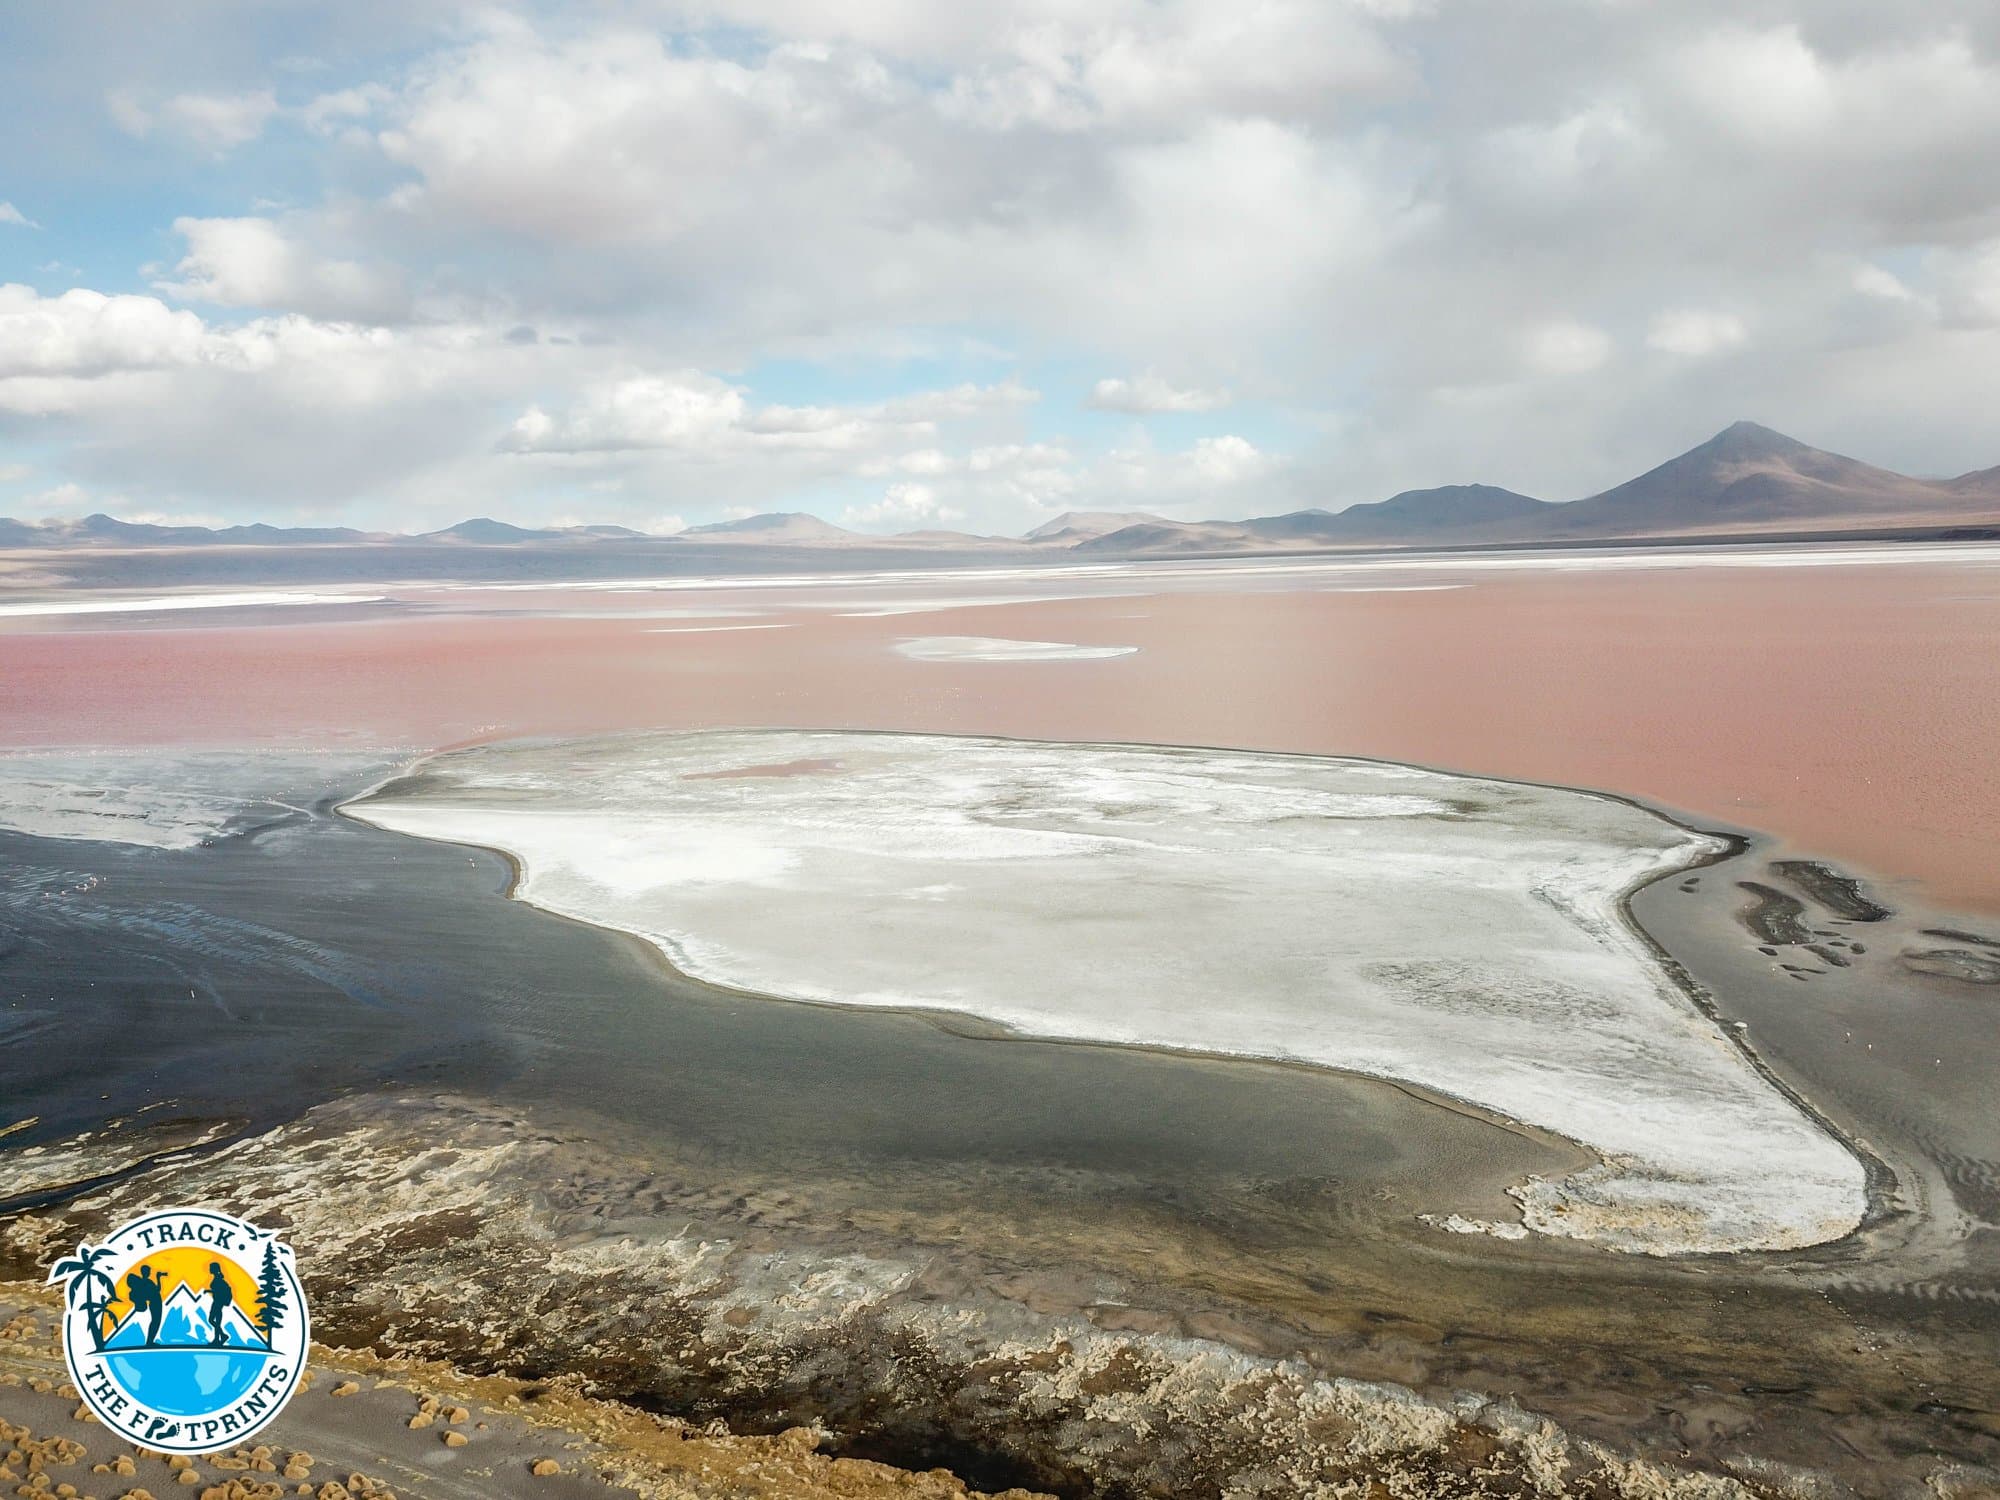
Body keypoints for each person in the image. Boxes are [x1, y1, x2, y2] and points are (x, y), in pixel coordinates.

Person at [124, 1266, 163, 1346]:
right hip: (156, 1302)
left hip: (154, 1302)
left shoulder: (144, 1282)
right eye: (149, 1271)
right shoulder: (146, 1282)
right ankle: (149, 1342)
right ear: (145, 1272)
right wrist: (158, 1278)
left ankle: (149, 1341)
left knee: (155, 1322)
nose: (149, 1273)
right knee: (155, 1322)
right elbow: (157, 1289)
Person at [206, 1263, 233, 1346]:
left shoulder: (218, 1279)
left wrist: (210, 1291)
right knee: (216, 1322)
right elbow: (217, 1290)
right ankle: (218, 1338)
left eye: (210, 1268)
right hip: (218, 1302)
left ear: (214, 1269)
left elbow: (219, 1291)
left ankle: (221, 1337)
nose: (209, 1269)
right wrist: (209, 1291)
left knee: (211, 1320)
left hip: (217, 1302)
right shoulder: (218, 1278)